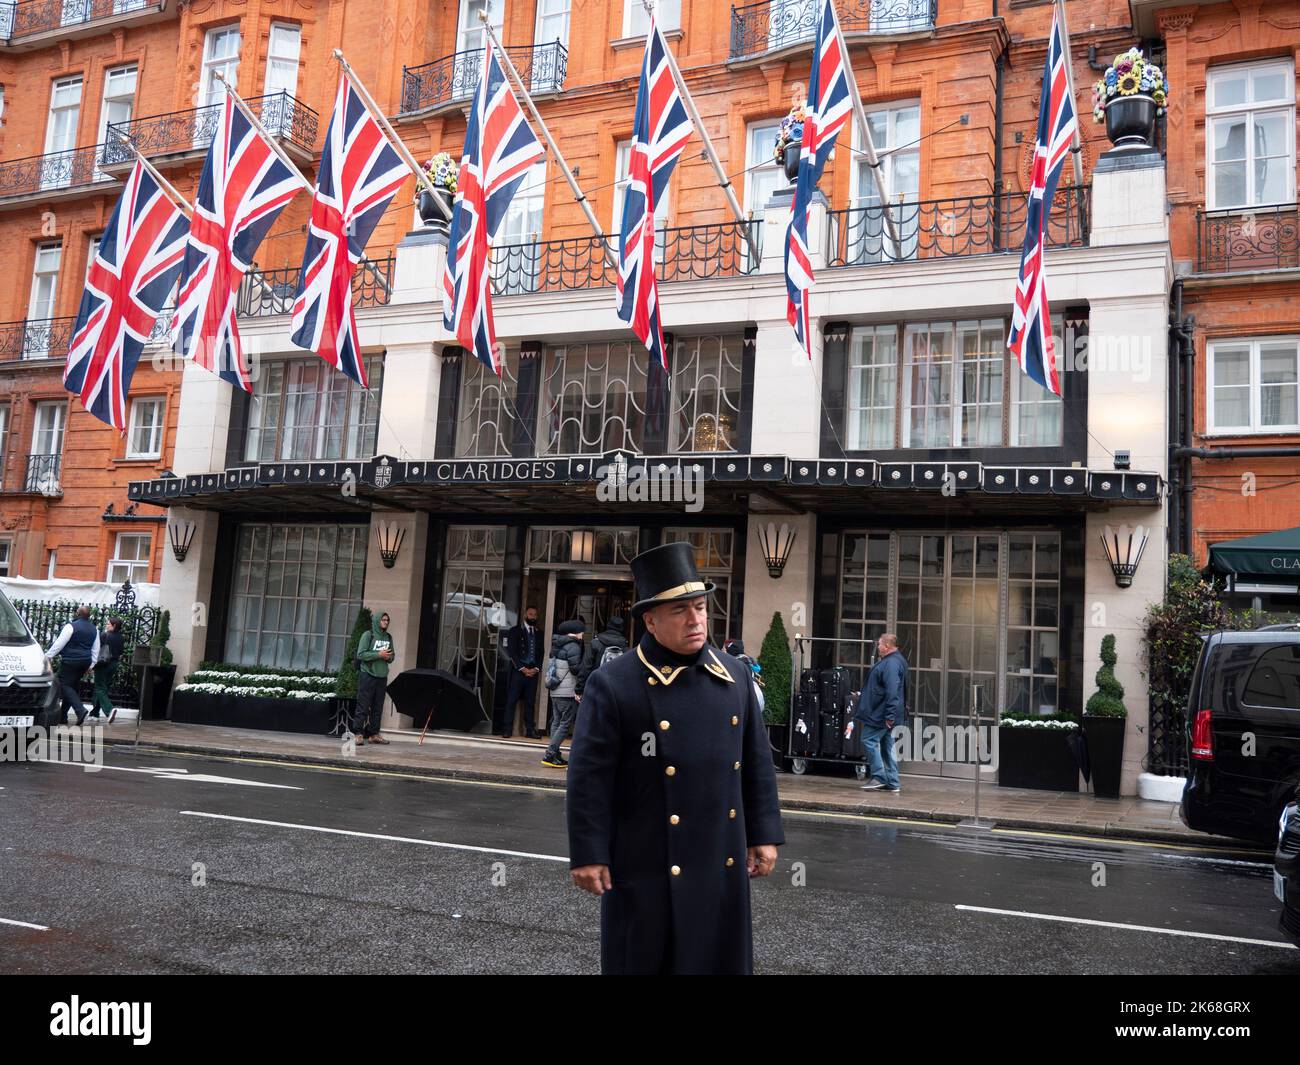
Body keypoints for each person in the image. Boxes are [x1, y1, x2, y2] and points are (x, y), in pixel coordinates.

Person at [567, 542, 784, 975]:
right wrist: (589, 852)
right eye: (680, 611)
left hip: (720, 859)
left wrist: (764, 833)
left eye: (701, 607)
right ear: (650, 619)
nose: (695, 620)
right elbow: (590, 777)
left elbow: (756, 761)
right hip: (646, 862)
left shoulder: (735, 674)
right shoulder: (614, 683)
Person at [850, 632, 908, 793]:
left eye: (879, 644)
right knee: (886, 746)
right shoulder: (896, 661)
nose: (878, 647)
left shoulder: (891, 663)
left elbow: (892, 691)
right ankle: (893, 781)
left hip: (883, 714)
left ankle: (879, 777)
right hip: (888, 712)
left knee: (868, 739)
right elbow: (884, 688)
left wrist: (889, 716)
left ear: (887, 646)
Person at [46, 605, 99, 726]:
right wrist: (91, 665)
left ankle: (80, 710)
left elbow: (59, 644)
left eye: (76, 612)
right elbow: (96, 649)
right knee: (72, 687)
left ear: (78, 614)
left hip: (71, 660)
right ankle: (63, 717)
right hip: (85, 661)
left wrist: (48, 656)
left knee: (62, 683)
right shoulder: (94, 629)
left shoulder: (71, 626)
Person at [540, 620, 584, 768]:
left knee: (556, 722)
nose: (583, 634)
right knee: (564, 724)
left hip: (555, 690)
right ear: (575, 631)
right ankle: (550, 753)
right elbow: (575, 669)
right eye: (581, 631)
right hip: (567, 691)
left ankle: (555, 754)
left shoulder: (557, 644)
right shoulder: (573, 646)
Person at [498, 605, 542, 738]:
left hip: (533, 672)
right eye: (530, 614)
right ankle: (507, 729)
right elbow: (512, 652)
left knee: (530, 702)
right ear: (525, 615)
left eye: (534, 615)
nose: (532, 617)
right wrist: (522, 669)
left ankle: (529, 730)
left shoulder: (539, 633)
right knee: (511, 700)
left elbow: (541, 652)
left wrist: (536, 669)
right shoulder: (515, 631)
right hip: (519, 671)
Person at [353, 612, 395, 746]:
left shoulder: (388, 637)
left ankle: (373, 734)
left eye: (387, 620)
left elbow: (392, 656)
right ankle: (358, 734)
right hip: (368, 675)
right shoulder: (368, 635)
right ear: (377, 620)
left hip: (382, 676)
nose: (386, 622)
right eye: (383, 620)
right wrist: (379, 654)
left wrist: (388, 657)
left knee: (378, 707)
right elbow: (361, 654)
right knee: (363, 705)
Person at [575, 615, 627, 698]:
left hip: (596, 688)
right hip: (615, 692)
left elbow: (586, 668)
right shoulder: (624, 647)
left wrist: (579, 689)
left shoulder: (596, 643)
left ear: (608, 626)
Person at [89, 616, 125, 722]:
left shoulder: (105, 635)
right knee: (103, 689)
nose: (106, 625)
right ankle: (94, 713)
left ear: (114, 626)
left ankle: (109, 711)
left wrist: (92, 663)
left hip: (103, 664)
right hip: (114, 664)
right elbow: (121, 651)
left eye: (108, 624)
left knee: (99, 688)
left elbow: (96, 649)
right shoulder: (121, 637)